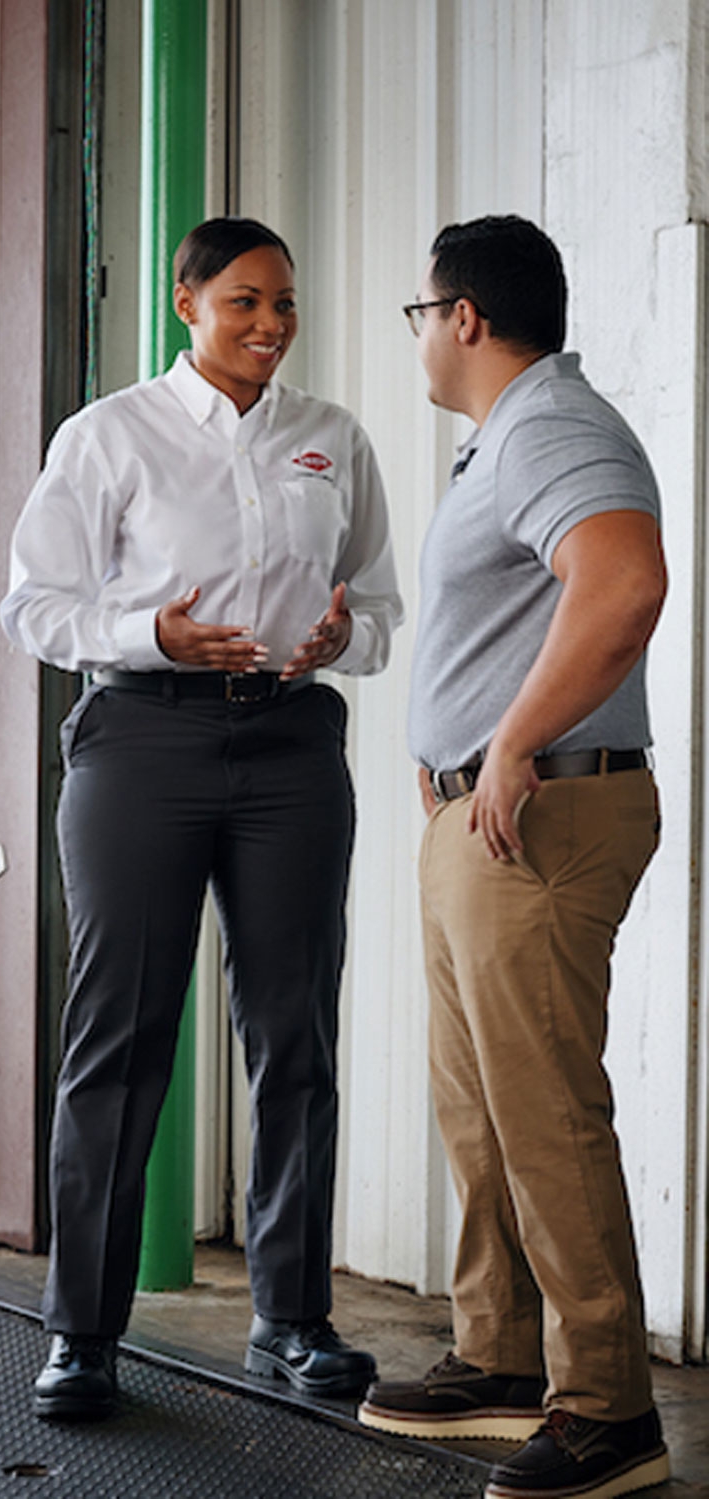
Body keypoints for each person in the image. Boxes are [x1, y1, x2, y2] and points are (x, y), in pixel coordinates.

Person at [1, 216, 403, 1420]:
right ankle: (81, 1334)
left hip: (288, 744)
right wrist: (150, 634)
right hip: (142, 740)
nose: (271, 324)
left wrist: (346, 639)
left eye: (285, 303)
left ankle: (289, 1320)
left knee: (296, 1034)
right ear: (186, 304)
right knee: (117, 1040)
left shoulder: (332, 440)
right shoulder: (109, 435)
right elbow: (36, 604)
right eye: (244, 301)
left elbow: (378, 603)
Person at [357, 216, 670, 1499]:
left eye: (420, 313)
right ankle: (499, 1354)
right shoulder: (507, 437)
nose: (420, 335)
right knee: (478, 1109)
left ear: (466, 316)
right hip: (478, 823)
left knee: (544, 1117)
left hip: (535, 821)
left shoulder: (549, 425)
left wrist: (507, 745)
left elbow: (623, 583)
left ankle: (607, 1411)